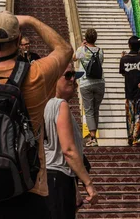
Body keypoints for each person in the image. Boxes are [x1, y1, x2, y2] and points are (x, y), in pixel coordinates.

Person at [0, 11, 73, 218]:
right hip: (28, 190)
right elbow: (65, 49)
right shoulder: (35, 74)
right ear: (19, 39)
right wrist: (30, 20)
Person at [44, 63, 98, 219]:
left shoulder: (42, 104)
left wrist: (74, 187)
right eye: (67, 75)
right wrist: (88, 183)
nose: (73, 80)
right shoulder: (60, 105)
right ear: (53, 78)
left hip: (49, 179)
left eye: (75, 75)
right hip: (57, 179)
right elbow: (68, 150)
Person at [75, 28, 105, 146]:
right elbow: (101, 62)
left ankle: (92, 137)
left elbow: (74, 57)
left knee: (89, 110)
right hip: (99, 82)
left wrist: (82, 46)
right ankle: (94, 134)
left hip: (86, 83)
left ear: (86, 38)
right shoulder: (100, 51)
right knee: (95, 109)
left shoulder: (82, 50)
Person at [119, 36, 140, 147]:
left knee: (130, 116)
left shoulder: (124, 59)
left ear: (129, 45)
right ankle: (138, 138)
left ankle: (130, 137)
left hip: (129, 91)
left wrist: (124, 58)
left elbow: (123, 73)